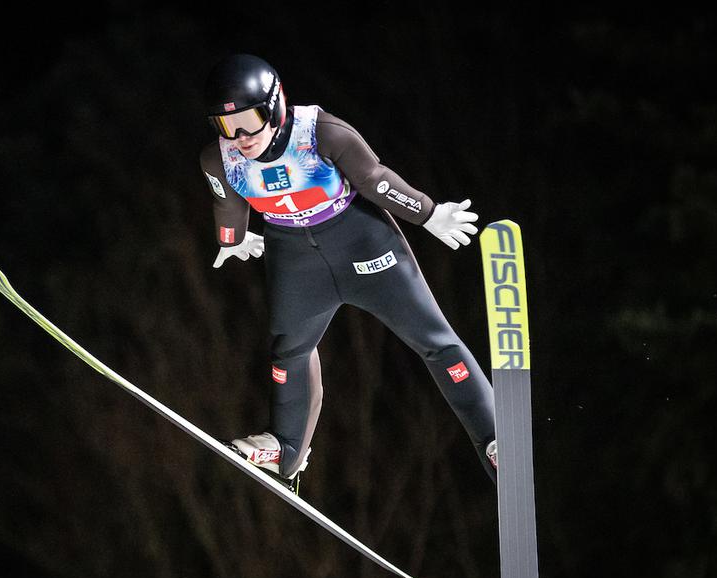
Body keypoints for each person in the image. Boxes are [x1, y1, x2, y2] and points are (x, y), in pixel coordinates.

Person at [199, 54, 497, 488]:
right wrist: (233, 238)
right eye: (226, 126)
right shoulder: (218, 158)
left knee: (434, 341)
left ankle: (493, 439)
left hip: (359, 240)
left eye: (249, 120)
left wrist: (428, 214)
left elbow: (375, 179)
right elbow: (227, 201)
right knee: (289, 352)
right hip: (295, 255)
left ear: (276, 106)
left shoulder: (320, 132)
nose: (240, 137)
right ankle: (286, 449)